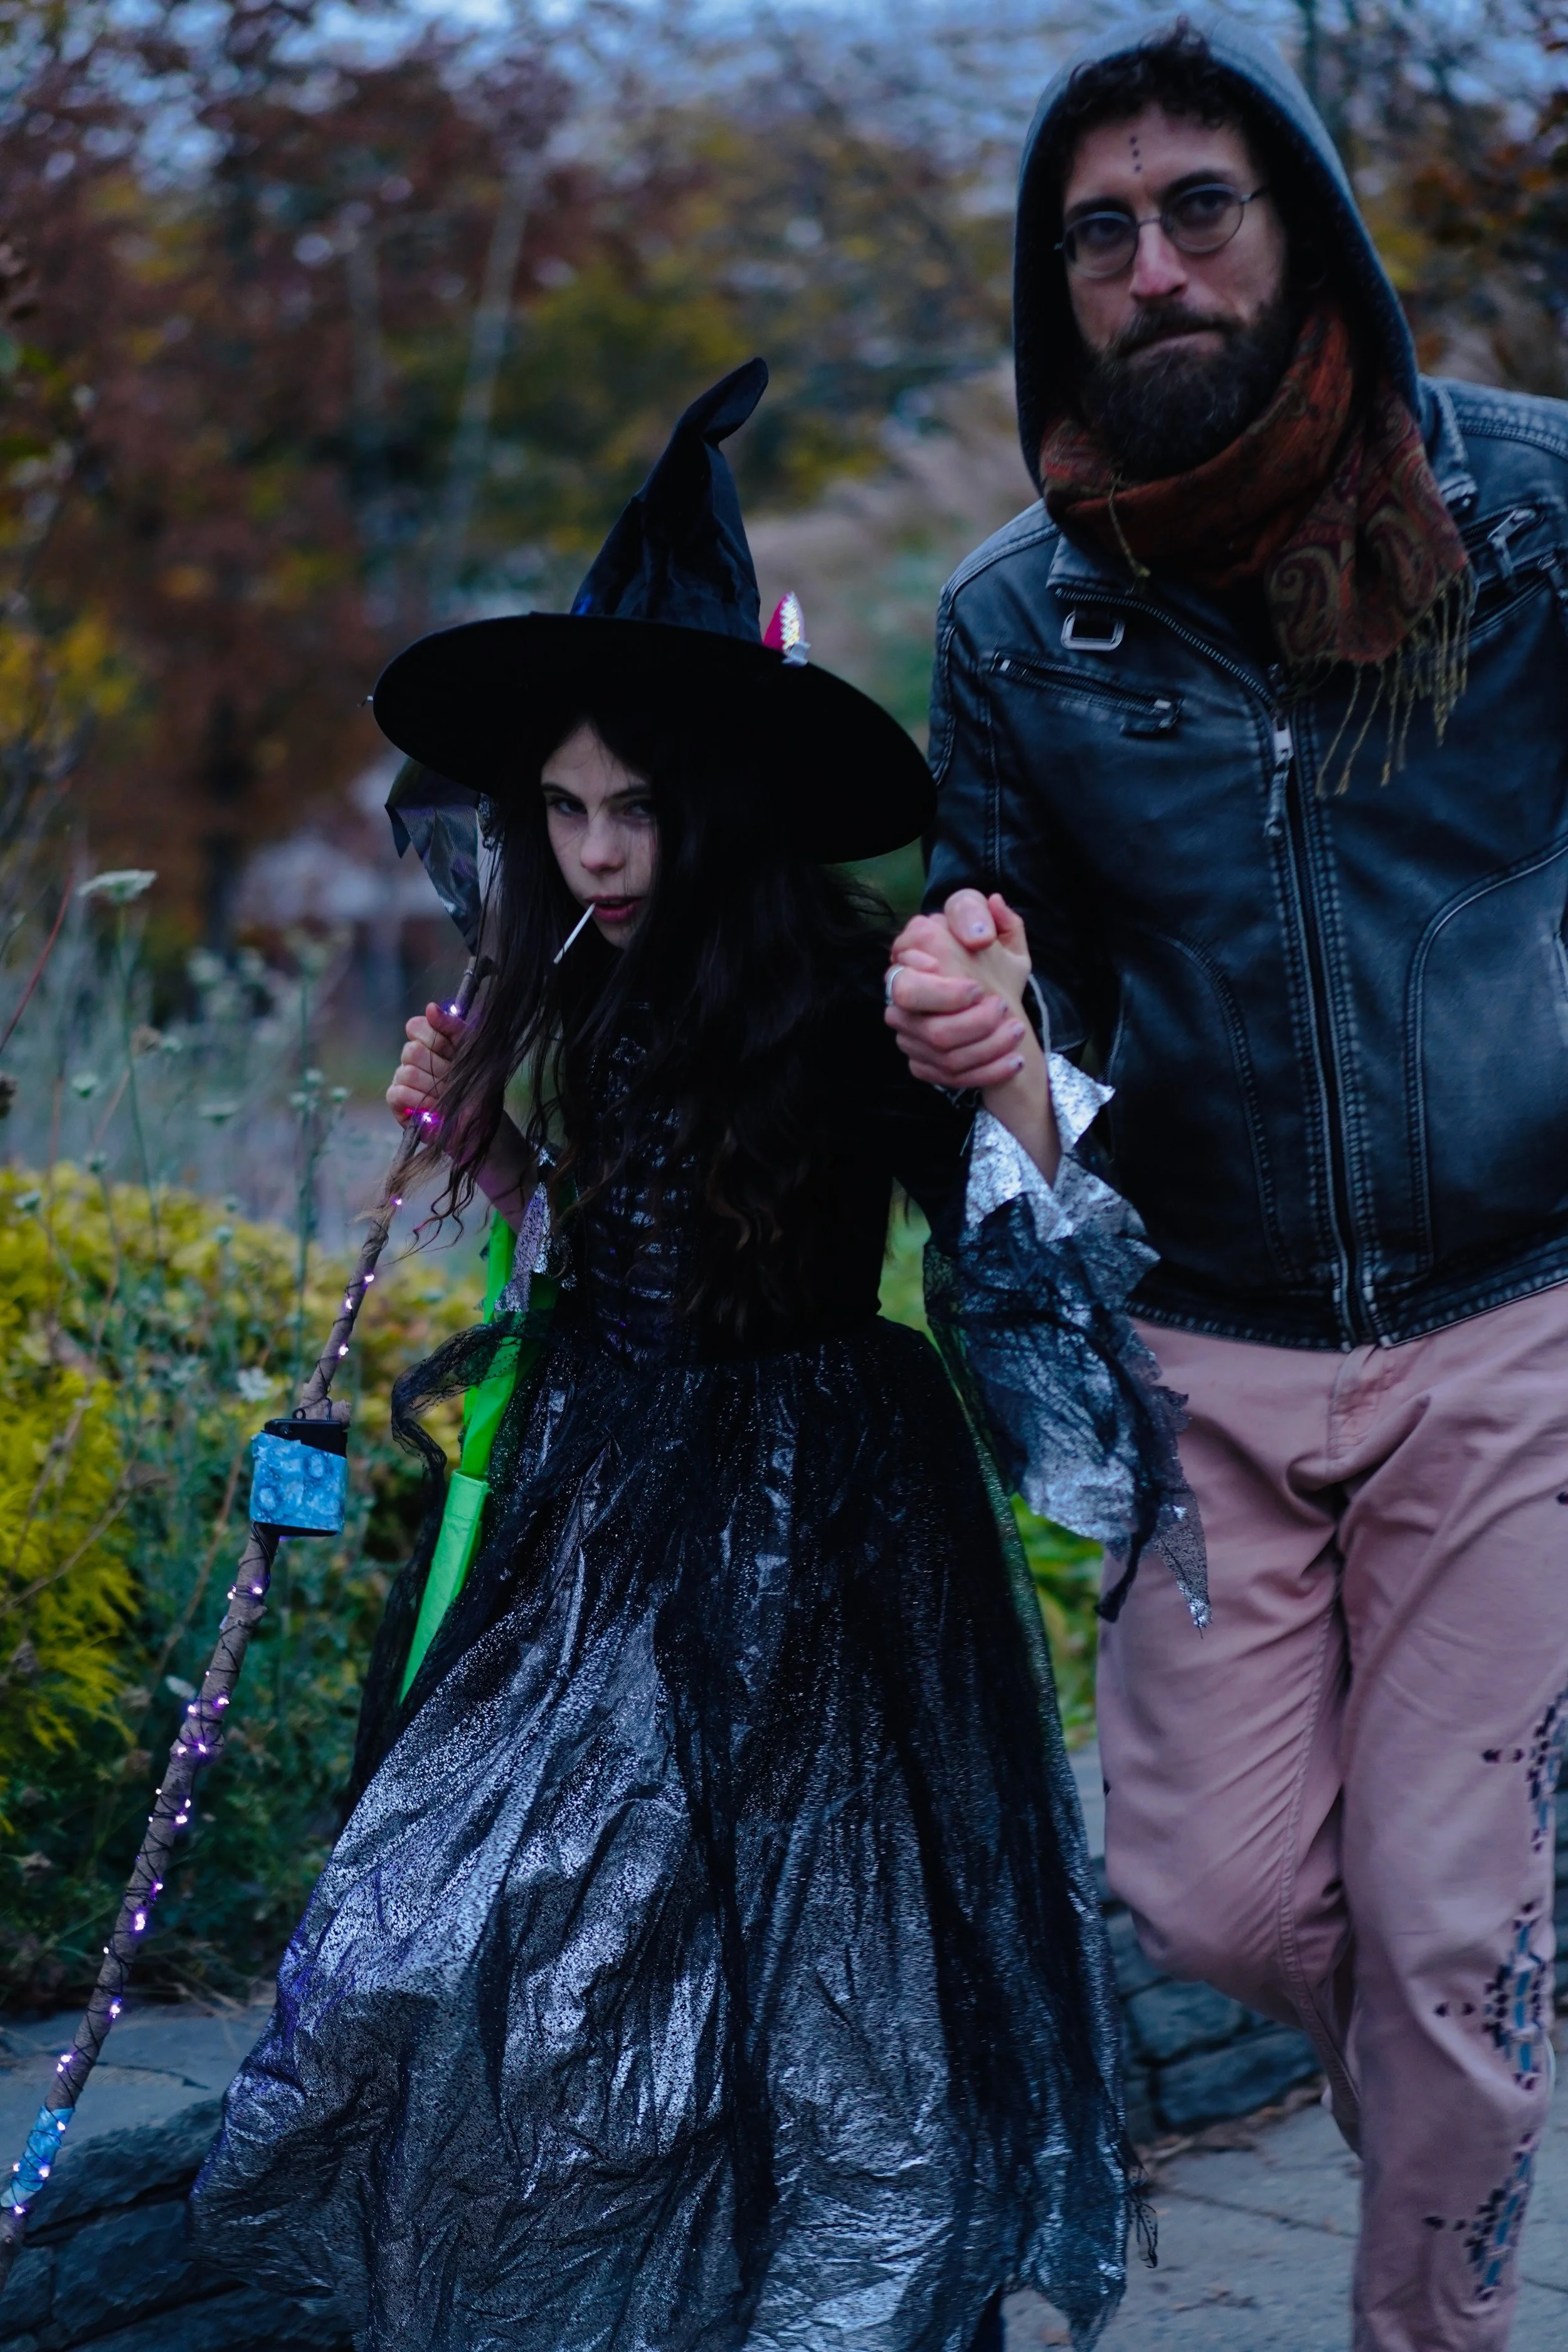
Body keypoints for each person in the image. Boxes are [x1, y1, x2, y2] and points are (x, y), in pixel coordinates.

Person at [188, 361, 1195, 2351]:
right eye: (559, 811)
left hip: (816, 1512)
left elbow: (1011, 1213)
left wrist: (1005, 1074)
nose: (593, 849)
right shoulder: (560, 977)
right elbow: (584, 1229)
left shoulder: (838, 988)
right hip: (595, 1499)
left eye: (632, 806)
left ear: (711, 800)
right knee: (458, 1914)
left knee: (825, 1971)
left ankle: (805, 2304)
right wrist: (477, 1122)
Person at [885, 13, 1568, 2351]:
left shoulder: (1532, 517)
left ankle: (1430, 2301)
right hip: (1212, 1355)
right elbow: (1038, 1054)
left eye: (1200, 211)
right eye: (1100, 236)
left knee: (1450, 1927)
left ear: (1299, 239)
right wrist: (988, 1042)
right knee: (1212, 1908)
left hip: (1513, 1320)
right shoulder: (1014, 627)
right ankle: (1450, 2037)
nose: (1153, 265)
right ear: (1050, 289)